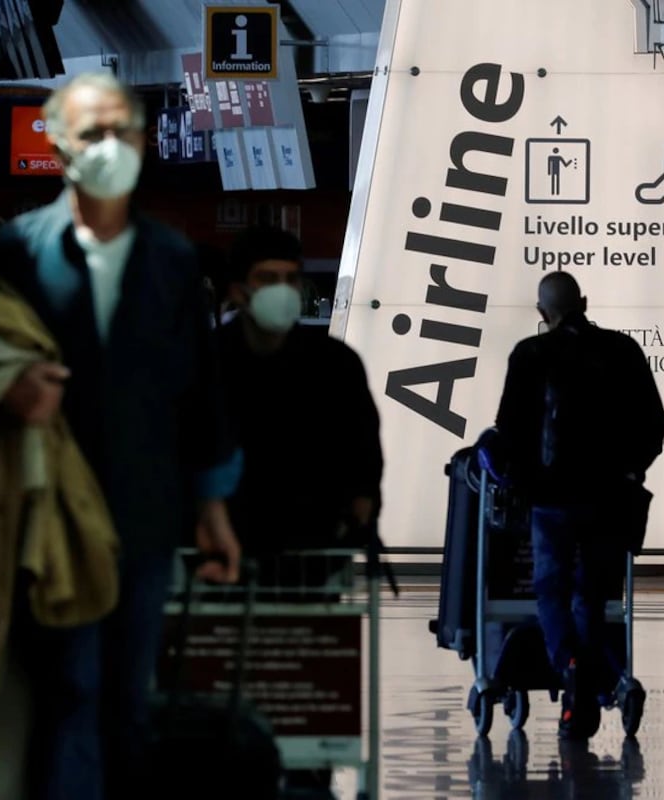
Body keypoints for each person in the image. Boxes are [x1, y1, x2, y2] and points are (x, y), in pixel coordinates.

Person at [0, 71, 242, 800]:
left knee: (129, 695)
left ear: (144, 144)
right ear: (59, 145)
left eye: (123, 132)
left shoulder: (172, 261)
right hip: (45, 513)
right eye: (93, 134)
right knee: (69, 688)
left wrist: (213, 505)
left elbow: (200, 391)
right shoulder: (12, 257)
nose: (110, 147)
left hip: (144, 513)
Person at [216, 225, 383, 797]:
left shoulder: (333, 363)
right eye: (268, 279)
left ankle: (308, 771)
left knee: (304, 664)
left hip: (310, 549)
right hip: (224, 550)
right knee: (230, 668)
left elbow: (364, 451)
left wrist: (360, 513)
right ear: (237, 289)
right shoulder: (206, 362)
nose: (282, 290)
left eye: (290, 279)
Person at [494, 271, 664, 740]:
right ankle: (585, 688)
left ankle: (569, 664)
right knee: (592, 592)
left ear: (541, 312)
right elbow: (653, 419)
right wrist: (632, 469)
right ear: (584, 303)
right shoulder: (622, 350)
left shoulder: (530, 354)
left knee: (551, 587)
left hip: (551, 497)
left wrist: (522, 479)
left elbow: (510, 427)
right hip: (609, 495)